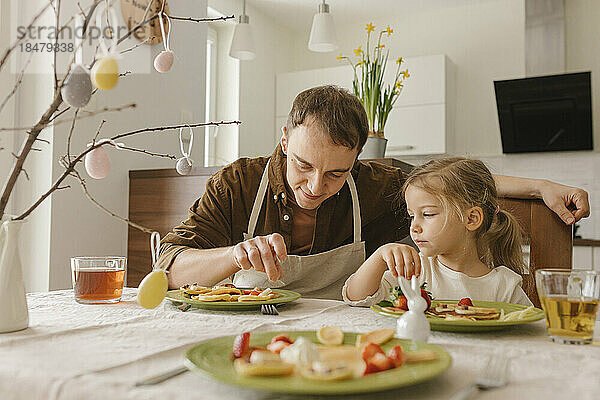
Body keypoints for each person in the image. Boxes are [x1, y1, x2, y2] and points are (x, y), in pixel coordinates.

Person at [157, 85, 589, 300]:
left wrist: (540, 186)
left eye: (335, 175)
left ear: (358, 157)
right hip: (249, 340)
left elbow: (452, 184)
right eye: (304, 166)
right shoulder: (235, 184)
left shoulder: (378, 184)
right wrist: (234, 256)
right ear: (286, 138)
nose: (314, 187)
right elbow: (168, 271)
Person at [343, 157, 533, 306]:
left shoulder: (505, 286)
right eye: (411, 215)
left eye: (427, 214)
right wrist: (380, 256)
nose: (414, 227)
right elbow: (356, 297)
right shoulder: (415, 270)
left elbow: (530, 334)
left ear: (471, 219)